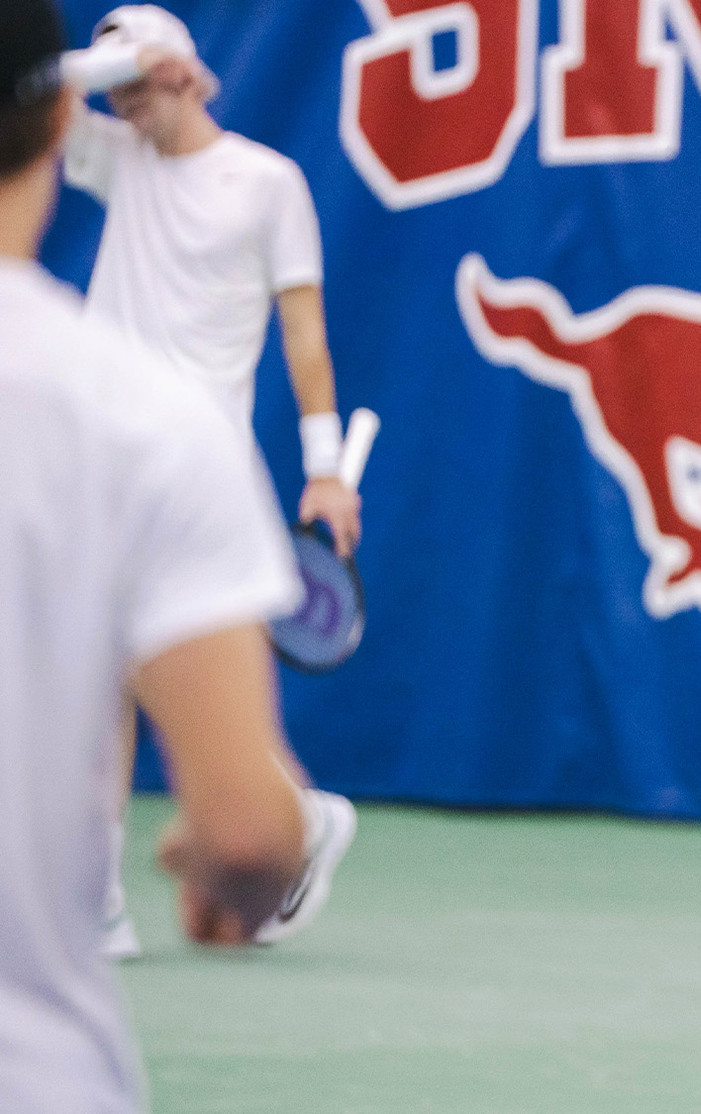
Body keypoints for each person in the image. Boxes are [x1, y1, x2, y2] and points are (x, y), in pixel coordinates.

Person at [0, 1, 308, 1106]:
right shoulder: (146, 427)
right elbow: (245, 835)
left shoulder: (253, 188)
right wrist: (234, 863)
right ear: (54, 126)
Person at [58, 4, 359, 957]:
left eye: (139, 79)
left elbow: (305, 331)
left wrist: (324, 471)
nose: (125, 100)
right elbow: (25, 87)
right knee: (96, 678)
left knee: (167, 678)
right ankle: (103, 896)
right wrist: (120, 63)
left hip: (202, 472)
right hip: (103, 461)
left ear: (186, 72)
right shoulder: (111, 153)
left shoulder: (268, 183)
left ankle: (294, 820)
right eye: (114, 86)